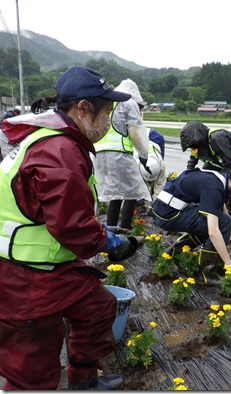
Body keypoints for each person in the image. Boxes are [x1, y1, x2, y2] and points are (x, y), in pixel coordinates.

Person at [0, 66, 139, 390]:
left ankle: (84, 380)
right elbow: (70, 226)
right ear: (83, 108)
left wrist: (103, 230)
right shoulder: (58, 150)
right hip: (22, 276)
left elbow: (59, 210)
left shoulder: (56, 141)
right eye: (106, 112)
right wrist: (109, 242)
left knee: (98, 308)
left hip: (47, 267)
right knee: (33, 363)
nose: (108, 122)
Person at [151, 163, 231, 284]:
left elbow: (226, 215)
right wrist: (229, 264)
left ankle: (172, 253)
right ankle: (207, 274)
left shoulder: (219, 180)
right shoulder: (214, 188)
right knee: (218, 225)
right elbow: (214, 231)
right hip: (168, 215)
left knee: (216, 220)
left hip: (164, 210)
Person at [93, 79, 151, 229]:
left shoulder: (107, 103)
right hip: (118, 155)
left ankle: (111, 229)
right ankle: (125, 229)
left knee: (115, 194)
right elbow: (135, 133)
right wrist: (144, 154)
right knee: (132, 191)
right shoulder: (128, 103)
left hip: (99, 155)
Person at [135, 128, 167, 201]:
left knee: (158, 182)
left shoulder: (161, 165)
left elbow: (161, 185)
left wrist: (155, 204)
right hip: (139, 136)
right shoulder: (134, 164)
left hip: (155, 138)